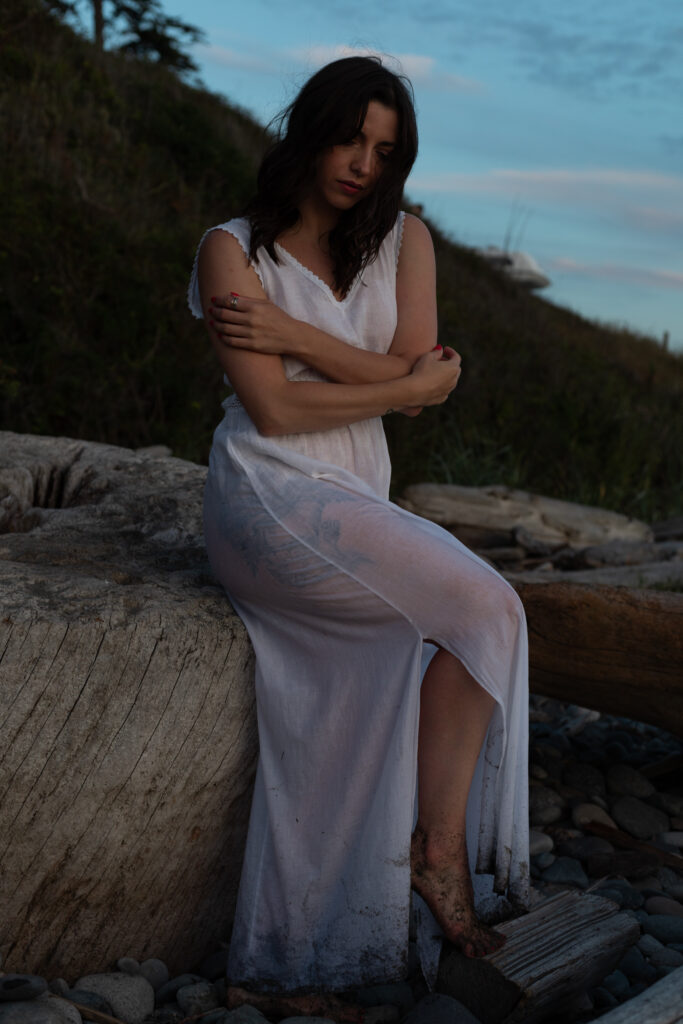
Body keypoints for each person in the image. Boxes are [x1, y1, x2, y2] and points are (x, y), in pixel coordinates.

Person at [188, 55, 529, 1015]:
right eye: (348, 138)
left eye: (384, 151)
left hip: (353, 502)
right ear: (310, 131)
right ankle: (437, 859)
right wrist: (402, 384)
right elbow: (277, 416)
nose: (361, 165)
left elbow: (409, 376)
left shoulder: (405, 241)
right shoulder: (232, 252)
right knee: (480, 601)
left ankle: (415, 864)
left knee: (466, 626)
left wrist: (297, 341)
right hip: (262, 496)